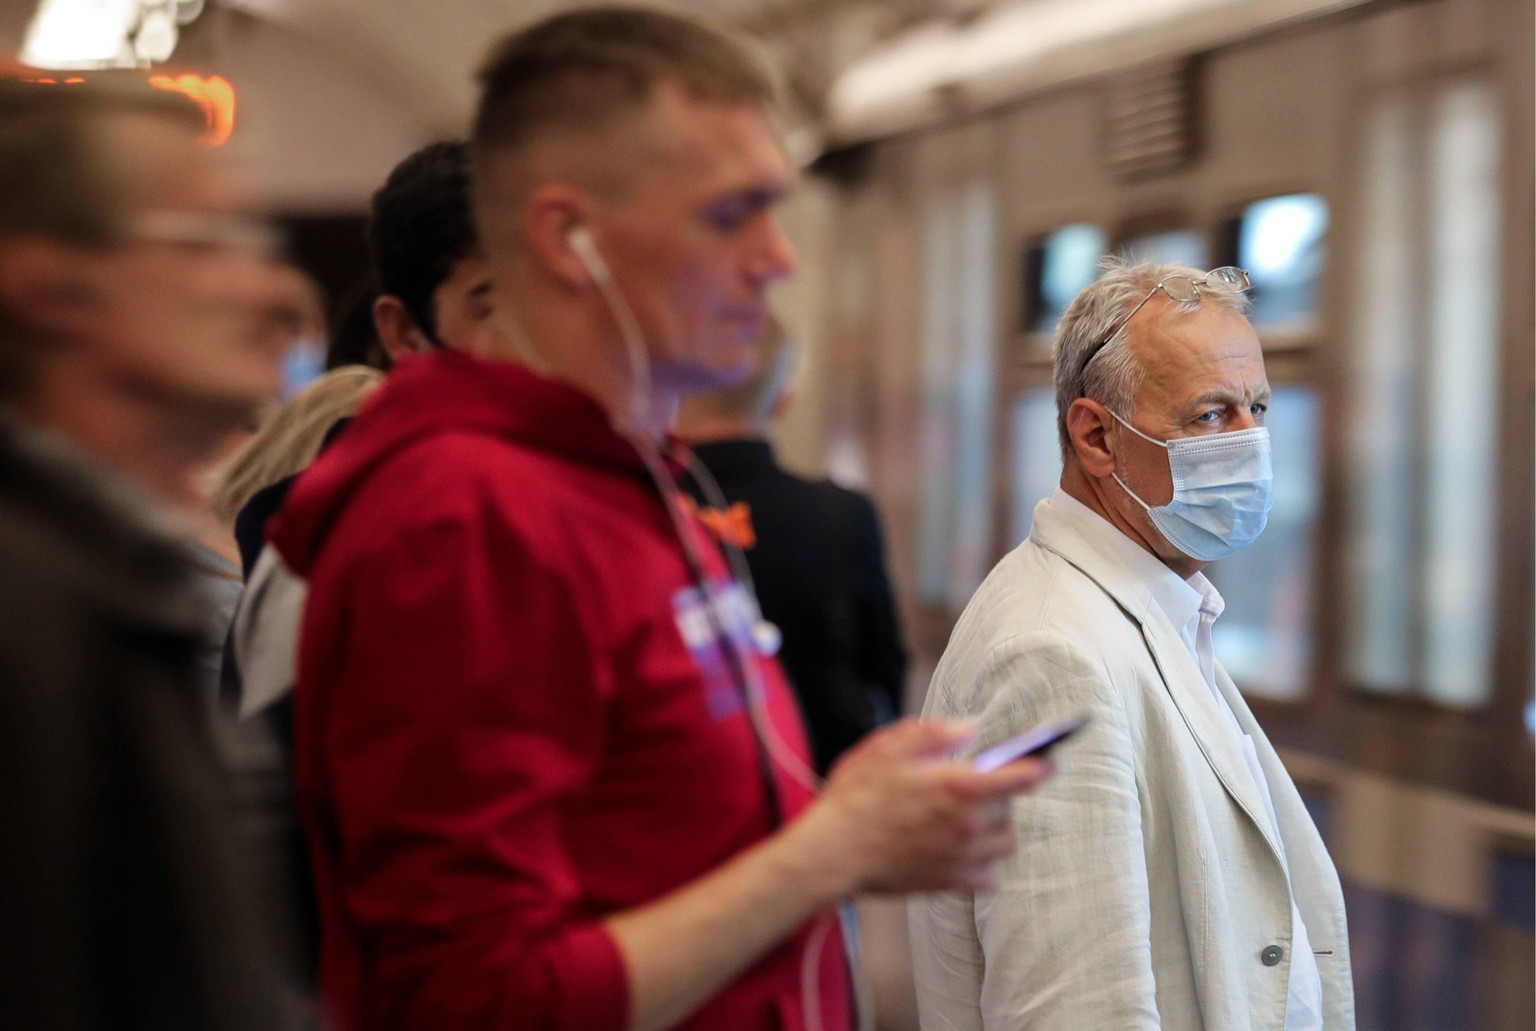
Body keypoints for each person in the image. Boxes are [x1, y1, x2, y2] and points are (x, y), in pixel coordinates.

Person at [268, 8, 1051, 1030]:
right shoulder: (466, 518)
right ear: (567, 238)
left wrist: (833, 811)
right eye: (733, 215)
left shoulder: (631, 481)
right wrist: (832, 848)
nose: (780, 261)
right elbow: (468, 998)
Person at [908, 257, 1355, 1029]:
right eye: (1211, 415)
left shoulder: (1157, 614)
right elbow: (1074, 1007)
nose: (1250, 443)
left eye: (1259, 407)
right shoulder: (1051, 655)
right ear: (1097, 437)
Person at [0, 74, 294, 1028]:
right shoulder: (26, 598)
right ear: (52, 287)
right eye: (209, 242)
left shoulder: (118, 567)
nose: (273, 291)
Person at [676, 315, 907, 772]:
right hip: (821, 794)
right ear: (783, 400)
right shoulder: (842, 515)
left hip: (679, 793)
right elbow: (885, 670)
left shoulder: (639, 510)